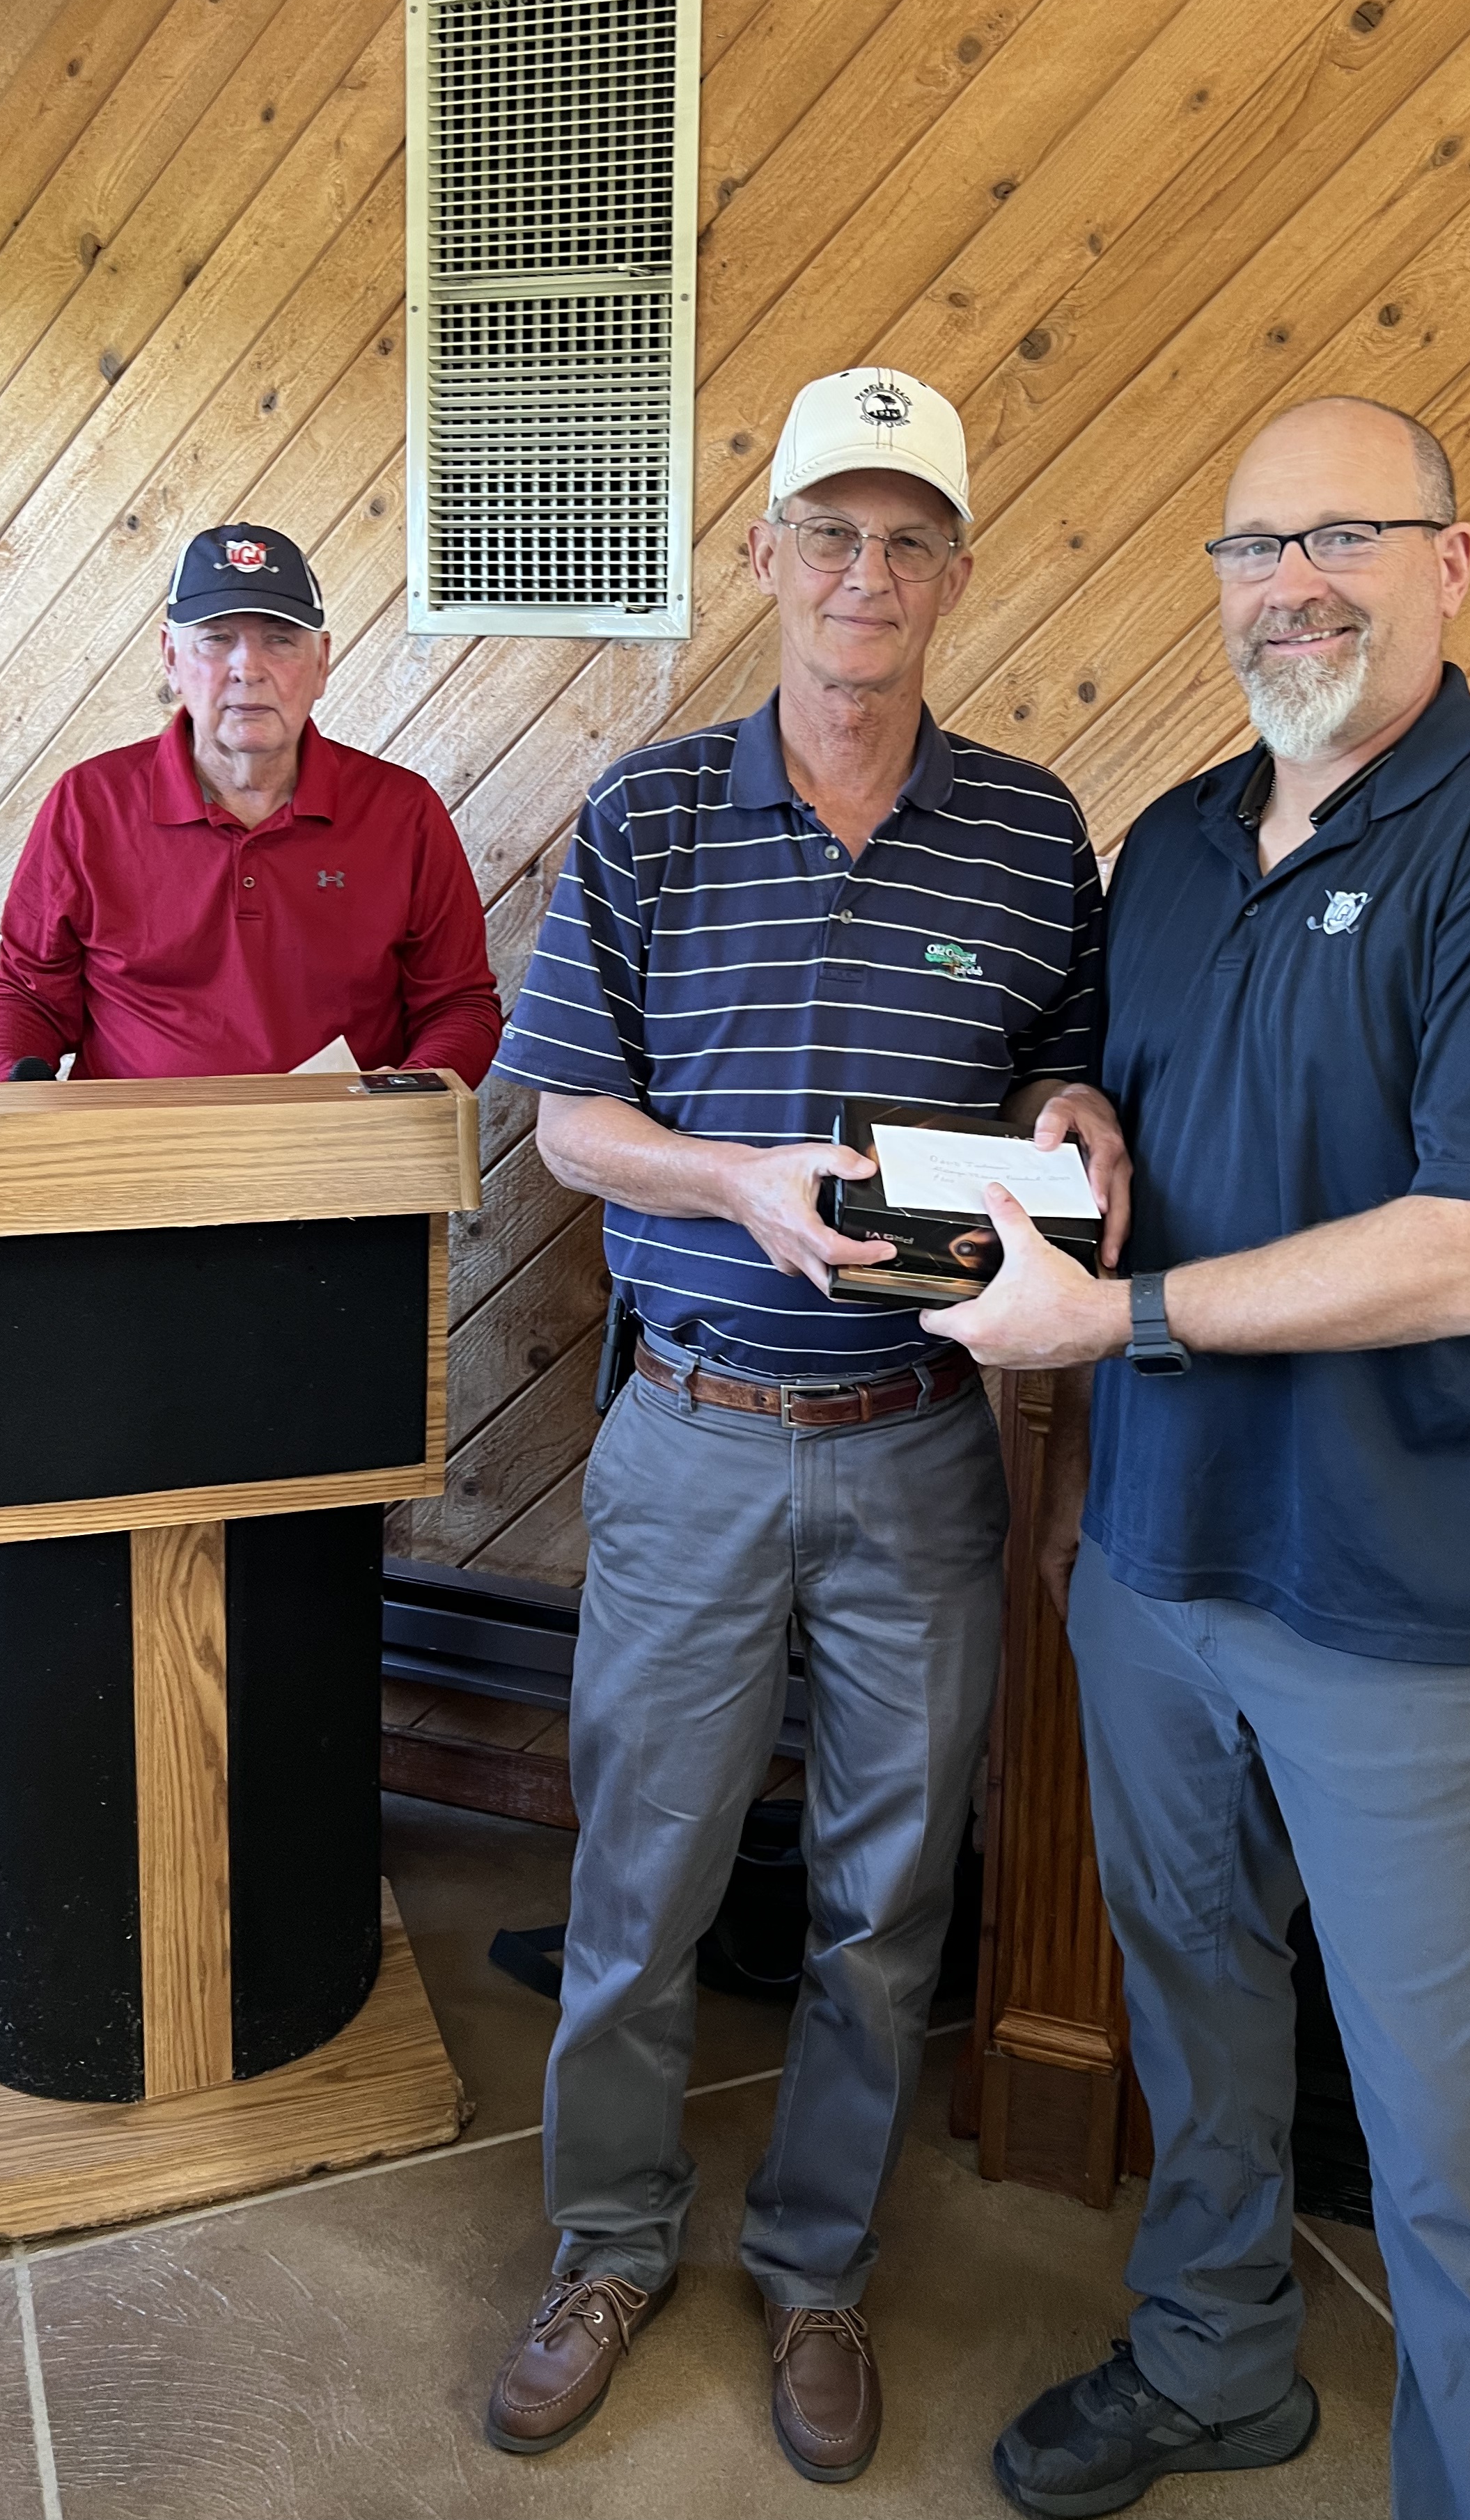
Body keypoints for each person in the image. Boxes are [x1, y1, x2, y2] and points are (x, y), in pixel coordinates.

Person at [927, 398, 1470, 2520]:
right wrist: (1083, 1121)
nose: (1294, 584)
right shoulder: (1173, 845)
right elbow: (1149, 1109)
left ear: (1454, 560)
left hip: (1408, 1612)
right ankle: (1214, 2362)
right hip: (1157, 1565)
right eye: (1255, 547)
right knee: (1196, 2014)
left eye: (1346, 535)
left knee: (1455, 2148)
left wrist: (1118, 1324)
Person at [485, 368, 1129, 2484]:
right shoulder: (650, 810)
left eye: (909, 540)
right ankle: (605, 2245)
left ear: (957, 573)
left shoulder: (1031, 829)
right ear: (763, 555)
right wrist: (741, 1183)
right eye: (832, 533)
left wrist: (1073, 1107)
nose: (869, 573)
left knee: (884, 1904)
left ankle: (819, 2262)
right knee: (640, 1886)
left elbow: (1058, 1068)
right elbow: (570, 1125)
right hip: (691, 1429)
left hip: (926, 1444)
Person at [0, 522, 500, 1085]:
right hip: (134, 1134)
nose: (248, 669)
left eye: (280, 639)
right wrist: (15, 1095)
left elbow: (458, 1004)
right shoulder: (88, 803)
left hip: (342, 1135)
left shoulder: (403, 810)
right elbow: (28, 996)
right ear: (171, 658)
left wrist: (404, 1104)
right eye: (217, 638)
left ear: (321, 662)